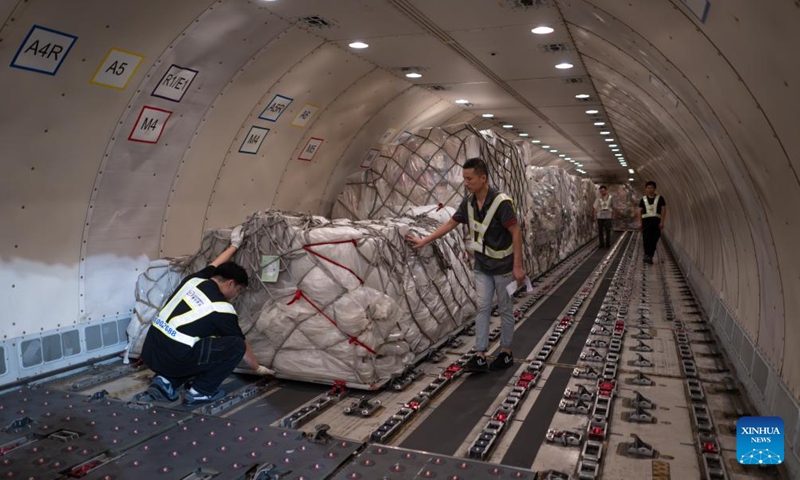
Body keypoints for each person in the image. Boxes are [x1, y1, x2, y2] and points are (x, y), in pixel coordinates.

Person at [406, 158, 524, 373]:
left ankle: (505, 351)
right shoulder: (468, 202)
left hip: (504, 267)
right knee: (483, 308)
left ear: (483, 178)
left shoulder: (501, 203)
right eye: (464, 179)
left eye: (469, 179)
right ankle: (480, 354)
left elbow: (515, 233)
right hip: (482, 266)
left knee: (505, 309)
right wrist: (426, 240)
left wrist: (518, 266)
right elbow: (451, 223)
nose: (466, 183)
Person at [141, 226, 273, 405]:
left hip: (150, 351)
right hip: (173, 358)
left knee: (196, 342)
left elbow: (214, 265)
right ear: (231, 283)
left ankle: (165, 381)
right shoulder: (221, 309)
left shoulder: (194, 280)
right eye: (238, 290)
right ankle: (200, 392)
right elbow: (241, 344)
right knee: (234, 346)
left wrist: (235, 245)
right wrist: (258, 368)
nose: (236, 294)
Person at [638, 181, 667, 264]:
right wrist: (640, 223)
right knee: (646, 238)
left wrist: (662, 222)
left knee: (655, 238)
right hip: (646, 222)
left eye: (651, 188)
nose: (650, 189)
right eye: (648, 188)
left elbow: (664, 210)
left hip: (656, 221)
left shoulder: (660, 198)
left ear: (654, 188)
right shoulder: (643, 199)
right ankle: (648, 255)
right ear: (646, 189)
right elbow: (639, 211)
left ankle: (649, 254)